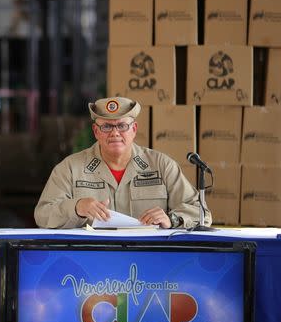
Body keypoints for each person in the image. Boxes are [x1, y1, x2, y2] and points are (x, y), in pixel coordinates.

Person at [34, 96, 211, 229]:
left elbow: (202, 214)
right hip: (90, 261)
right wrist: (76, 207)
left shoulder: (161, 166)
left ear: (134, 129)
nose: (115, 133)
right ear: (96, 131)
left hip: (149, 260)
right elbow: (42, 215)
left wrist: (171, 220)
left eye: (122, 126)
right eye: (106, 127)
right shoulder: (71, 168)